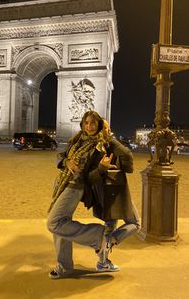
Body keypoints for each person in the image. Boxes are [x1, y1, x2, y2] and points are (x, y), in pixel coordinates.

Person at [47, 111, 118, 279]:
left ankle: (98, 235)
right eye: (86, 123)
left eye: (93, 123)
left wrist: (102, 168)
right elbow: (61, 156)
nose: (89, 126)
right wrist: (67, 162)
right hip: (62, 183)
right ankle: (64, 267)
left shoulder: (101, 146)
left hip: (76, 187)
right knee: (62, 224)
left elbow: (92, 176)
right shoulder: (77, 140)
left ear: (99, 125)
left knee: (54, 222)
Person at [83, 119, 140, 271]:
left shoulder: (93, 145)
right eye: (106, 128)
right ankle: (107, 243)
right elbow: (127, 155)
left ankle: (103, 256)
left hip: (107, 189)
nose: (109, 130)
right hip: (112, 189)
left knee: (110, 224)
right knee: (134, 223)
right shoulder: (108, 144)